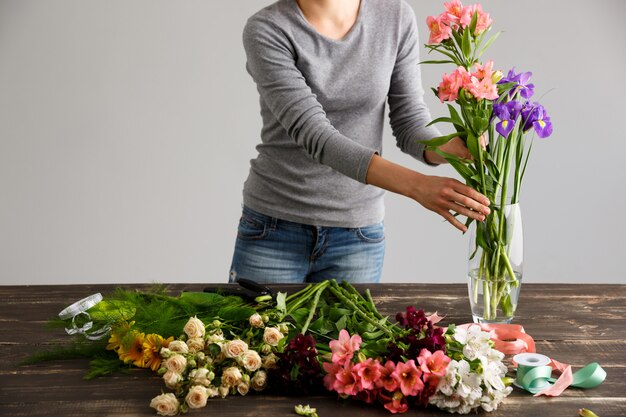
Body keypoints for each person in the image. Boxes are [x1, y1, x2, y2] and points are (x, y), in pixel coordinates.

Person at [228, 0, 490, 285]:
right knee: (253, 330)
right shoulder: (267, 28)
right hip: (274, 228)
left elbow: (409, 121)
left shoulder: (395, 17)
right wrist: (418, 186)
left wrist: (449, 147)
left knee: (347, 332)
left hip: (357, 236)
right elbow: (316, 136)